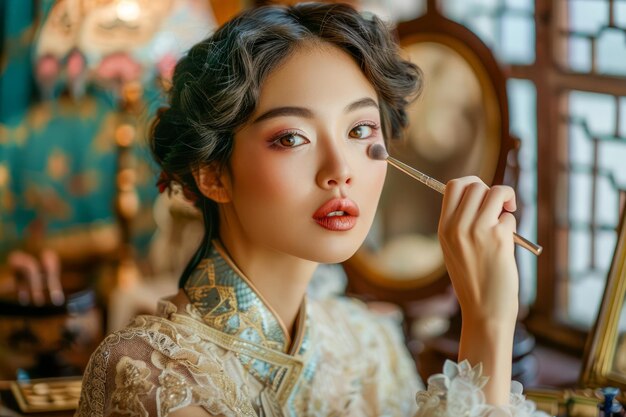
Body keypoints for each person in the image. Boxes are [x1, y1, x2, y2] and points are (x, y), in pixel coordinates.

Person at [76, 3, 547, 417]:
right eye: (292, 137)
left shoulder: (368, 345)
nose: (339, 170)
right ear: (212, 174)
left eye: (360, 130)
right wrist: (486, 325)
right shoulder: (151, 374)